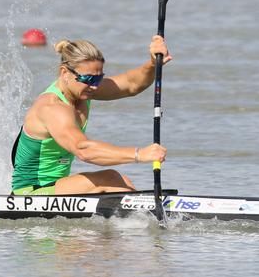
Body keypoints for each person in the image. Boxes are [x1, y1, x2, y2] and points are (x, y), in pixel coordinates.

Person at [11, 35, 171, 195]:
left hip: (57, 186)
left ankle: (141, 215)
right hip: (30, 194)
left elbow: (131, 84)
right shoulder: (52, 108)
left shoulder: (82, 89)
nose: (94, 87)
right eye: (88, 79)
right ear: (64, 72)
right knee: (110, 178)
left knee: (120, 182)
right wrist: (139, 154)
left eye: (98, 78)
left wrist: (152, 63)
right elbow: (84, 151)